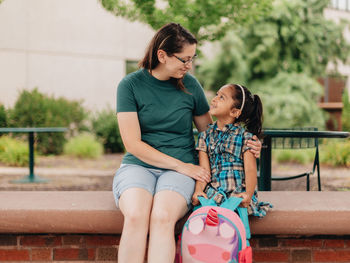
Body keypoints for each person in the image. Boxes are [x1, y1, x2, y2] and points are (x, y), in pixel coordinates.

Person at [113, 23, 262, 263]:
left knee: (162, 217)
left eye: (192, 58)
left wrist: (248, 145)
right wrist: (181, 166)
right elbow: (133, 144)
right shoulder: (129, 86)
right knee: (136, 216)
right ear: (162, 55)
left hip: (182, 170)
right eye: (184, 59)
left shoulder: (190, 85)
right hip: (138, 166)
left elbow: (212, 134)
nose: (189, 65)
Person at [192, 84, 271, 217]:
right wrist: (199, 190)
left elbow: (250, 170)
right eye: (217, 94)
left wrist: (248, 194)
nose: (214, 99)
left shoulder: (246, 138)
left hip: (237, 196)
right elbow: (204, 171)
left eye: (221, 97)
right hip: (214, 195)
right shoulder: (205, 136)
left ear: (234, 112)